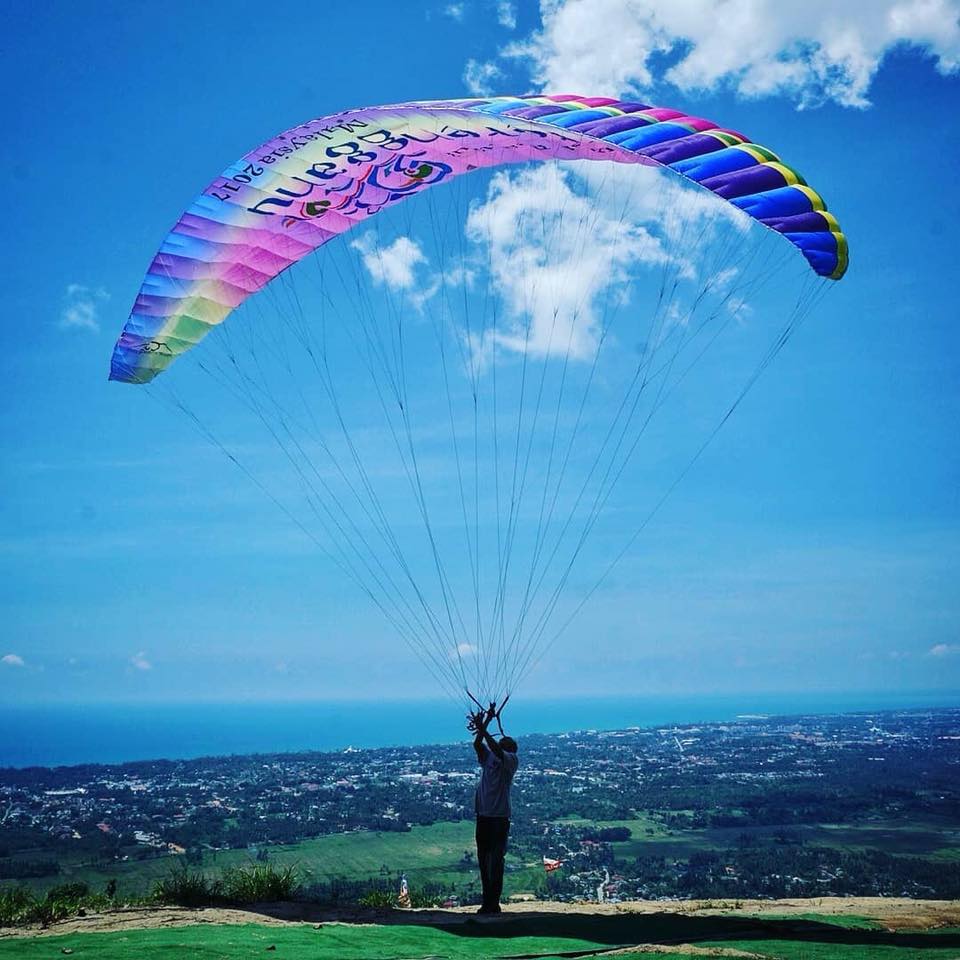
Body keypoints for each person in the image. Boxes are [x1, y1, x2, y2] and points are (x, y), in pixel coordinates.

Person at [468, 700, 519, 915]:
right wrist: (487, 720)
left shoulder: (511, 760)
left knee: (496, 860)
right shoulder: (489, 757)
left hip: (498, 817)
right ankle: (487, 902)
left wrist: (484, 728)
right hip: (484, 815)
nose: (502, 741)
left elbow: (496, 749)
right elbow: (477, 744)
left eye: (504, 742)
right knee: (484, 860)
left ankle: (493, 902)